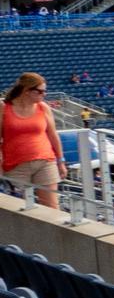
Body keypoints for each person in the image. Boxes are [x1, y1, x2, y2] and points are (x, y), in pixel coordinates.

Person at [2, 73, 65, 210]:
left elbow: (53, 135)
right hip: (15, 165)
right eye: (40, 91)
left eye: (45, 91)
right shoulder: (4, 109)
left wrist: (61, 161)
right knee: (19, 210)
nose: (44, 94)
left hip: (45, 161)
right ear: (26, 90)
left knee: (52, 208)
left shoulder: (43, 108)